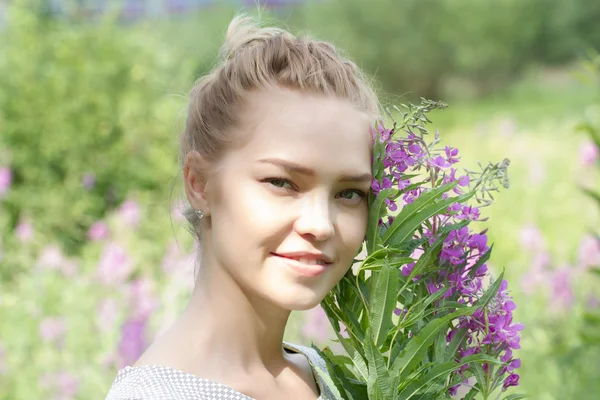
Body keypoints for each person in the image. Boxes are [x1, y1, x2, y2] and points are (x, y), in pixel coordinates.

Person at [105, 13, 381, 400]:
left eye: (349, 193)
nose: (321, 225)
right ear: (199, 184)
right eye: (282, 183)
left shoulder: (327, 377)